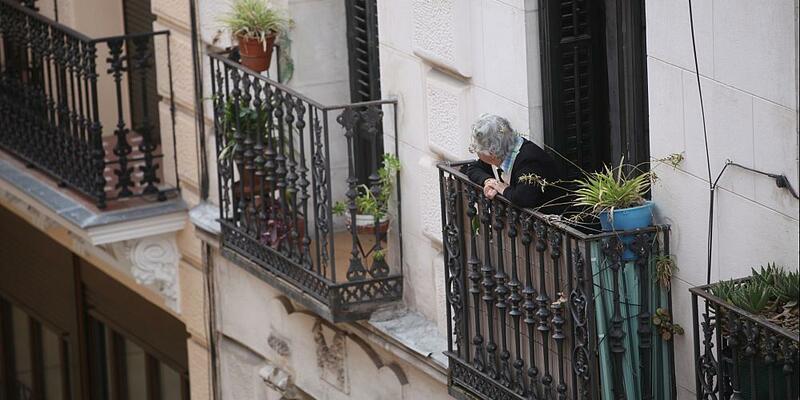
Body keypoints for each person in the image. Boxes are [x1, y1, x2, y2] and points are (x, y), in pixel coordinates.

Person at [463, 114, 563, 211]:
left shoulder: (529, 161)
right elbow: (473, 168)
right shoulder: (502, 151)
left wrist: (502, 188)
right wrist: (489, 181)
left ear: (492, 154)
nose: (477, 153)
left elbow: (523, 198)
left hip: (552, 222)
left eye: (477, 150)